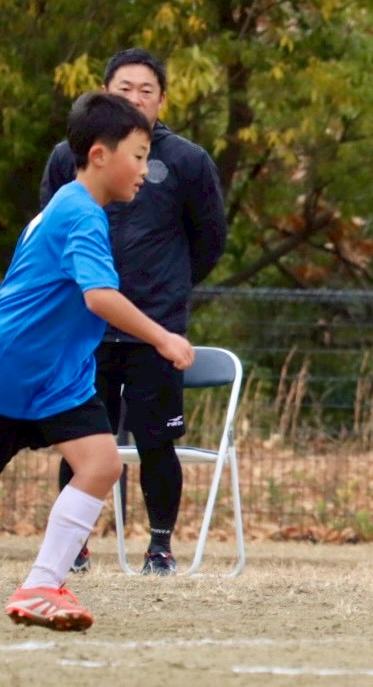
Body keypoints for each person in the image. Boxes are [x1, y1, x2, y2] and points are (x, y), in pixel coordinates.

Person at [3, 92, 195, 631]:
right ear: (99, 155)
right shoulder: (81, 213)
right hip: (15, 367)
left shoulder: (69, 203)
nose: (145, 170)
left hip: (55, 376)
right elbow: (100, 297)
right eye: (138, 156)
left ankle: (42, 585)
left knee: (102, 464)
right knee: (101, 465)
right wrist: (163, 337)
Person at [40, 48, 227, 575]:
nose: (136, 98)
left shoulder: (187, 160)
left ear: (162, 98)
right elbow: (52, 233)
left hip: (155, 329)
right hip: (85, 330)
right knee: (82, 442)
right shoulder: (69, 158)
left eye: (147, 90)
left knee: (156, 441)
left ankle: (160, 547)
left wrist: (166, 289)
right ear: (105, 94)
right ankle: (74, 548)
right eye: (125, 88)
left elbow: (210, 241)